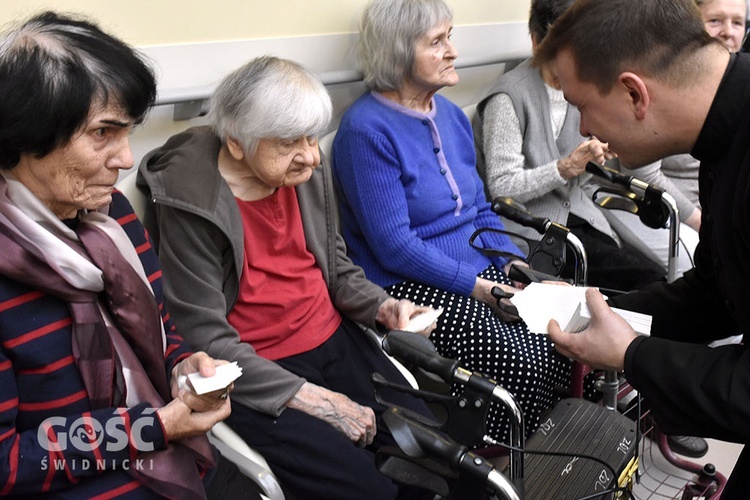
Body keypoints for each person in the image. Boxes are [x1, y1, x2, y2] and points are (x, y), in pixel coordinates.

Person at [138, 55, 435, 500]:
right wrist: (311, 398)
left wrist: (381, 306)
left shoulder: (302, 174)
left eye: (313, 138)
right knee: (366, 490)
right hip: (259, 367)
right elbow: (203, 333)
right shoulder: (192, 202)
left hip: (337, 341)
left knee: (433, 456)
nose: (312, 157)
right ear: (237, 143)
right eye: (290, 143)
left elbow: (336, 268)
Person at [0, 11, 261, 499]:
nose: (125, 158)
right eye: (103, 133)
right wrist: (154, 427)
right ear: (26, 135)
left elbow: (159, 326)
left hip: (178, 457)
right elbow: (6, 464)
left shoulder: (110, 215)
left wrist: (184, 367)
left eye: (128, 132)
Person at [331, 0, 587, 444]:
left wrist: (515, 266)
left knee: (556, 332)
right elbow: (395, 247)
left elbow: (480, 208)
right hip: (404, 283)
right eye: (437, 41)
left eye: (450, 36)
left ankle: (543, 450)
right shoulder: (366, 131)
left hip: (476, 269)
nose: (452, 50)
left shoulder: (448, 114)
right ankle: (495, 461)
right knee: (516, 358)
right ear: (397, 53)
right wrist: (484, 288)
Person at [534, 0, 750, 496]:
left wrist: (634, 355)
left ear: (634, 93)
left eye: (581, 104)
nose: (584, 129)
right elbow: (720, 293)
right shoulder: (725, 133)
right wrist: (593, 310)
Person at [473, 0, 681, 288]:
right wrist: (566, 167)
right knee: (648, 286)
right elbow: (502, 186)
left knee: (658, 282)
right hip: (532, 233)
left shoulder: (581, 87)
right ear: (537, 42)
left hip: (581, 219)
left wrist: (593, 157)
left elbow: (579, 180)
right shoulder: (508, 99)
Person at [660, 0, 749, 220]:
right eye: (715, 21)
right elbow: (642, 172)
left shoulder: (742, 86)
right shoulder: (665, 81)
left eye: (737, 23)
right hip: (674, 211)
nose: (728, 32)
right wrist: (701, 223)